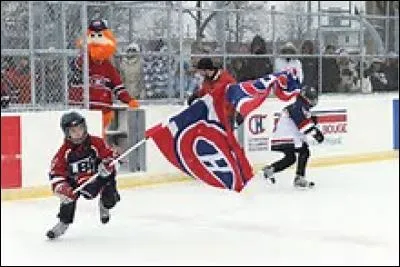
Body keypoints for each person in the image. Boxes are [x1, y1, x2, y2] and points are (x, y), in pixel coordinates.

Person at [46, 111, 121, 239]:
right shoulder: (64, 153)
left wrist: (109, 164)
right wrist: (62, 187)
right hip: (77, 182)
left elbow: (112, 157)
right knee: (68, 196)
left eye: (80, 128)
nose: (78, 133)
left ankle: (105, 204)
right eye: (73, 131)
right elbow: (56, 174)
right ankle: (64, 222)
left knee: (111, 198)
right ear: (67, 133)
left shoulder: (96, 143)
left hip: (98, 178)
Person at [68, 19, 140, 136]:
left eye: (100, 36)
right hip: (82, 109)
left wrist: (129, 100)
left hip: (103, 111)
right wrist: (86, 52)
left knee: (98, 137)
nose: (96, 40)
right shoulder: (84, 60)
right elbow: (76, 66)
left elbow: (118, 87)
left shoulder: (108, 67)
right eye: (93, 35)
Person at [262, 86, 324, 188]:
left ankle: (270, 169)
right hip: (287, 136)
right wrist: (317, 134)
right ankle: (299, 178)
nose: (314, 101)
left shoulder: (299, 106)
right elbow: (303, 125)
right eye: (311, 98)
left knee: (290, 158)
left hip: (281, 137)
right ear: (305, 98)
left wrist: (312, 122)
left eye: (314, 98)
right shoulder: (298, 107)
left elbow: (302, 122)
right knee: (304, 151)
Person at [187, 57, 240, 127]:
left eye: (200, 71)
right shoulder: (207, 79)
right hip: (213, 115)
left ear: (206, 70)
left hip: (226, 114)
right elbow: (205, 91)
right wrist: (196, 95)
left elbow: (235, 93)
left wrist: (235, 112)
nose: (199, 73)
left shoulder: (225, 79)